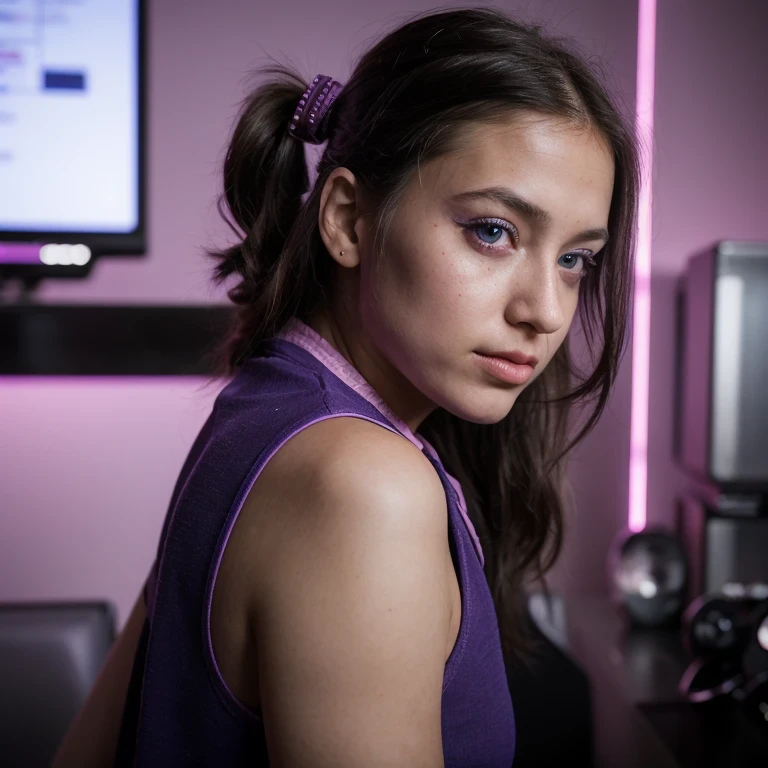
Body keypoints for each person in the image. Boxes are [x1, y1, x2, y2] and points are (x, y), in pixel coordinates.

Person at [52, 6, 639, 767]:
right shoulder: (363, 487)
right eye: (492, 231)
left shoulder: (264, 407)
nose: (546, 311)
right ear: (349, 220)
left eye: (576, 259)